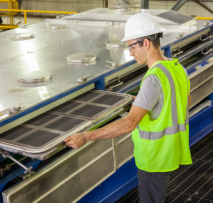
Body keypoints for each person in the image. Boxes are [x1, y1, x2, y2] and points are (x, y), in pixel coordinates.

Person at [64, 13, 192, 203]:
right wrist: (145, 102)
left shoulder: (153, 78)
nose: (131, 53)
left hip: (154, 158)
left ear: (146, 43)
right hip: (171, 151)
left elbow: (129, 124)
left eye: (132, 46)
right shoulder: (176, 67)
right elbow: (185, 102)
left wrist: (85, 136)